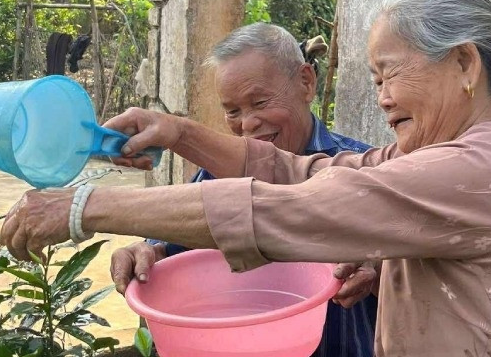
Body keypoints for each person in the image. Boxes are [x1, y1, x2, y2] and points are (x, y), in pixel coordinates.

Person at [0, 0, 491, 357]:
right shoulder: (440, 155)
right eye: (374, 80)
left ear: (464, 64)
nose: (381, 99)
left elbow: (287, 207)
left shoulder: (476, 168)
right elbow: (307, 173)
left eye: (391, 74)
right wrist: (178, 132)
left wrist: (83, 206)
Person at [121, 23, 378, 357]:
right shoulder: (218, 175)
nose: (247, 124)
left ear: (306, 82)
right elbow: (171, 250)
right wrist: (145, 253)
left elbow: (417, 266)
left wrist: (380, 267)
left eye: (260, 102)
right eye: (232, 111)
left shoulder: (367, 170)